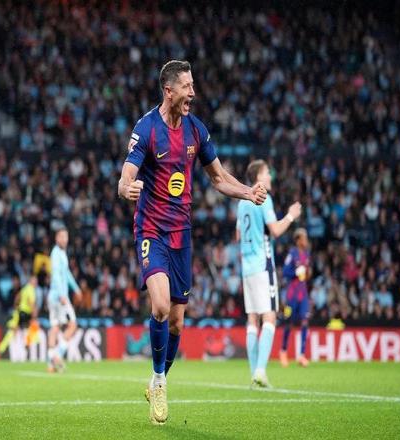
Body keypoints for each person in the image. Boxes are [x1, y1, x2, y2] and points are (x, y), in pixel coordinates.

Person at [118, 59, 266, 425]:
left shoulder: (196, 131)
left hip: (181, 234)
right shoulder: (146, 128)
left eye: (193, 86)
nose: (193, 93)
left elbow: (218, 177)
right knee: (160, 306)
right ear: (169, 90)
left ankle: (158, 379)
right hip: (151, 230)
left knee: (178, 323)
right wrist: (125, 187)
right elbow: (127, 172)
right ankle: (158, 381)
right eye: (187, 87)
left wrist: (248, 192)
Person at [237, 159, 301, 387]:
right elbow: (275, 230)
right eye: (267, 173)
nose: (270, 177)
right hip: (263, 265)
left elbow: (238, 235)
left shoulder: (242, 201)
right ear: (258, 177)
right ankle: (261, 371)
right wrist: (291, 216)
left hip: (247, 267)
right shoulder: (263, 197)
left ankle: (254, 374)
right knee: (270, 317)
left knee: (252, 319)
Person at [46, 227, 82, 372]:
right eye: (61, 237)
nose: (64, 239)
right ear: (56, 238)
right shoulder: (56, 253)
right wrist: (62, 294)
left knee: (55, 327)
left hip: (53, 296)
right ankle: (58, 355)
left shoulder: (60, 253)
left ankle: (50, 363)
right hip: (59, 296)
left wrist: (76, 288)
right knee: (73, 325)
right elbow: (55, 274)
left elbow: (66, 274)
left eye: (66, 237)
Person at [280, 228, 311, 367]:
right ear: (298, 240)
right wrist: (295, 272)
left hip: (303, 295)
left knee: (305, 322)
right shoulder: (292, 254)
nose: (306, 241)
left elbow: (307, 274)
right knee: (289, 323)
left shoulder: (307, 254)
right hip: (292, 295)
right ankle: (283, 351)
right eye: (304, 238)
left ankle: (302, 355)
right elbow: (285, 272)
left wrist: (307, 273)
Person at [0, 275, 39, 355]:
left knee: (14, 330)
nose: (36, 283)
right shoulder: (31, 290)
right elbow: (31, 303)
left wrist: (16, 307)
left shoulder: (25, 288)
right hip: (25, 313)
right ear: (31, 281)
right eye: (35, 281)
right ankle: (27, 345)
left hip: (19, 312)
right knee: (33, 326)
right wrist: (34, 315)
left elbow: (17, 297)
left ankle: (2, 348)